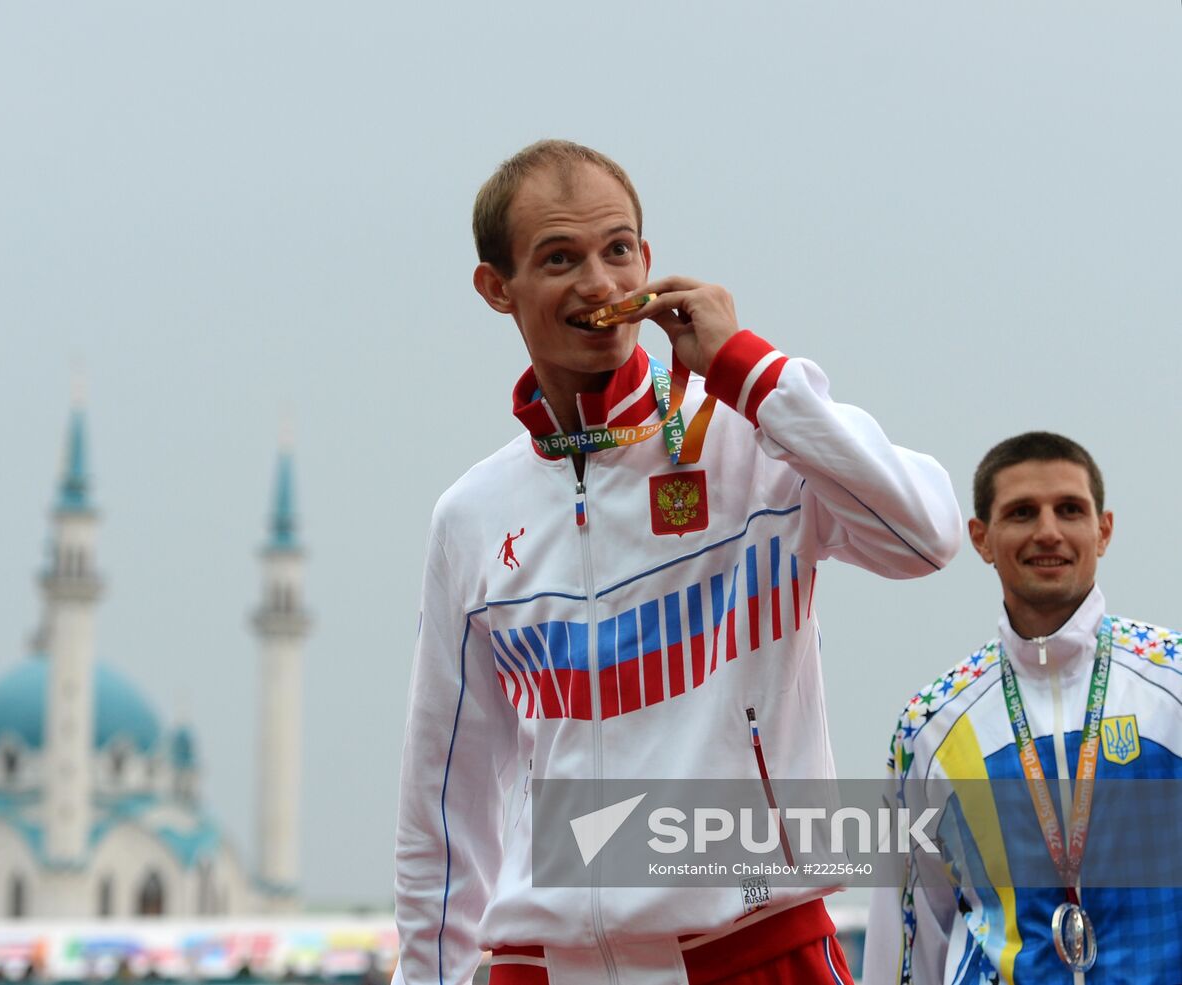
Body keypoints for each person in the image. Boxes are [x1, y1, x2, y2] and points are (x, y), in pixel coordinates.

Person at [392, 139, 962, 985]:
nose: (600, 284)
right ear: (496, 288)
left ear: (649, 263)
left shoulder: (749, 435)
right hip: (539, 962)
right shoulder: (472, 516)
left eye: (617, 249)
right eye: (560, 258)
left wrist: (752, 372)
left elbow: (926, 535)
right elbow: (444, 802)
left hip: (753, 947)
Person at [862, 432, 1182, 984]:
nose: (1048, 531)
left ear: (1103, 531)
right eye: (1022, 512)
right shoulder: (931, 722)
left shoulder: (1172, 680)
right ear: (982, 539)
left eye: (1070, 510)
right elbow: (911, 929)